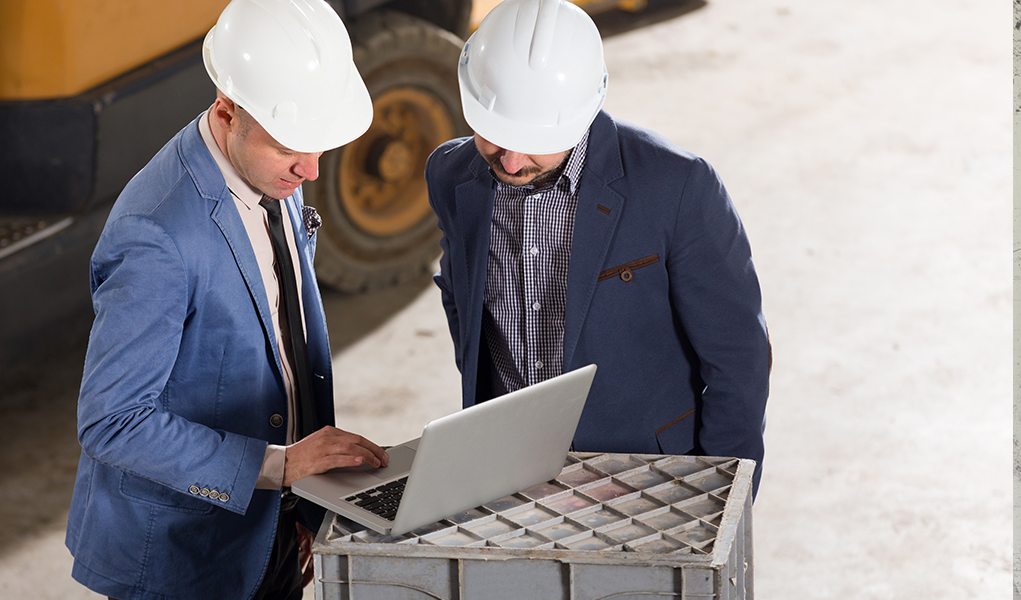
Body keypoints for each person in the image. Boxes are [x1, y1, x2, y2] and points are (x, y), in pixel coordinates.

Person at [64, 1, 390, 598]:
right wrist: (279, 466)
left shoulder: (269, 167)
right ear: (226, 109)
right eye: (294, 146)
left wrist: (300, 506)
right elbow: (112, 422)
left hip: (272, 528)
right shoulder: (158, 233)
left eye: (321, 146)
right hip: (180, 559)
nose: (312, 169)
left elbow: (282, 346)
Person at [425, 0, 770, 494]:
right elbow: (459, 293)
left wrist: (723, 494)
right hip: (511, 469)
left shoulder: (676, 186)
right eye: (494, 134)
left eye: (536, 140)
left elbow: (739, 355)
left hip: (647, 476)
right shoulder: (450, 174)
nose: (511, 158)